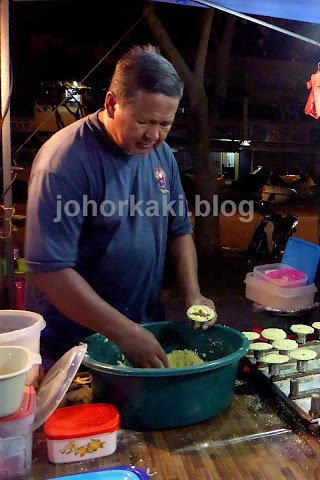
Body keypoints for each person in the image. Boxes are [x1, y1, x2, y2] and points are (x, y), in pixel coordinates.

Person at [25, 45, 215, 370]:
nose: (154, 136)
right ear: (112, 104)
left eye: (165, 124)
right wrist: (122, 333)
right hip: (76, 347)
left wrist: (193, 295)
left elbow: (179, 232)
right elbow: (49, 271)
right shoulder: (65, 161)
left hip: (143, 329)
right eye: (143, 121)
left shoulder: (162, 156)